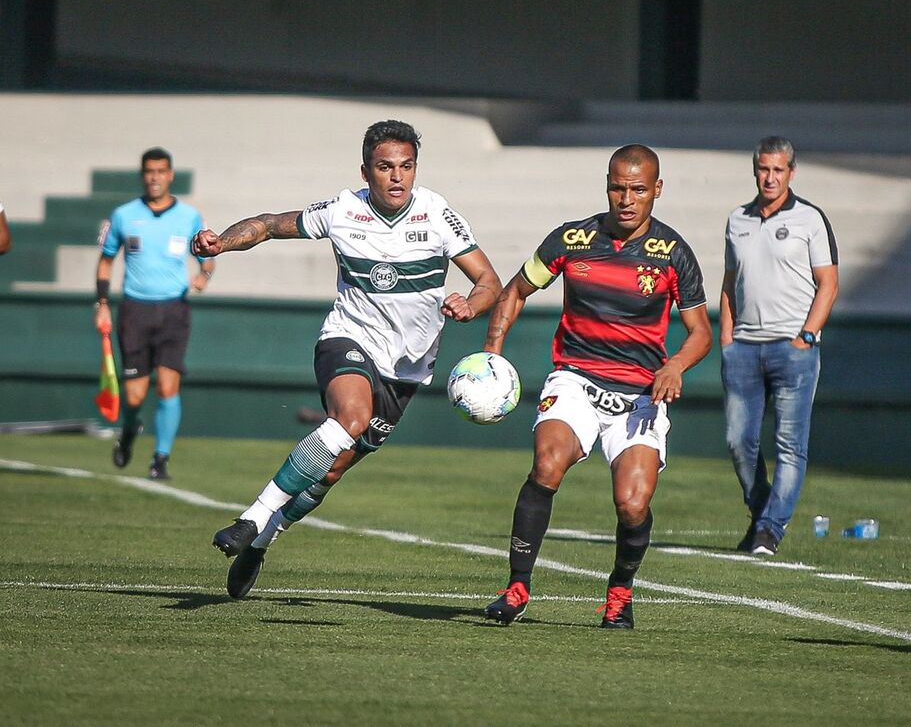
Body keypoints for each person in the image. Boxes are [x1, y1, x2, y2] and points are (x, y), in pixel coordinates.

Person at [194, 120, 501, 599]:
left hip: (406, 372)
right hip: (348, 338)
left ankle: (263, 539)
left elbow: (489, 281)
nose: (397, 177)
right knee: (350, 417)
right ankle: (250, 517)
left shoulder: (438, 214)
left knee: (331, 471)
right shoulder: (343, 210)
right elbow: (270, 225)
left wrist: (471, 303)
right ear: (366, 171)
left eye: (406, 167)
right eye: (385, 167)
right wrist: (222, 243)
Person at [482, 145, 711, 629]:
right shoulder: (572, 238)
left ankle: (620, 593)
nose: (627, 199)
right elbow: (516, 290)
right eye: (618, 187)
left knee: (633, 503)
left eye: (639, 189)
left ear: (657, 190)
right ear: (606, 185)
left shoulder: (673, 253)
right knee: (547, 463)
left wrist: (674, 368)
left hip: (640, 396)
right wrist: (492, 351)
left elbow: (701, 333)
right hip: (576, 379)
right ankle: (517, 587)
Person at [719, 136, 838, 557]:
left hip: (793, 348)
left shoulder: (809, 219)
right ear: (755, 170)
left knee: (790, 445)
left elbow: (829, 282)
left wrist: (807, 335)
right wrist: (727, 336)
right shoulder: (737, 219)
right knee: (738, 440)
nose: (770, 177)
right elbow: (730, 280)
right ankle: (760, 513)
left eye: (778, 170)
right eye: (763, 169)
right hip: (744, 348)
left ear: (791, 172)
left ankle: (770, 530)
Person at [94, 147, 212, 480]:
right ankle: (130, 429)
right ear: (143, 175)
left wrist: (204, 276)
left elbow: (208, 257)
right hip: (135, 310)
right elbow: (105, 260)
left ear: (170, 175)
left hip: (174, 309)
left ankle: (160, 459)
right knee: (134, 394)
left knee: (168, 387)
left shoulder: (189, 217)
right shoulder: (123, 215)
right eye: (149, 171)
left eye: (161, 171)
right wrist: (101, 303)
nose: (155, 177)